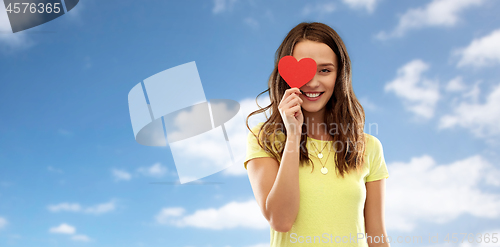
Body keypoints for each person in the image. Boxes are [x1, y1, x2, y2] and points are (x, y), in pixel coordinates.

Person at [243, 22, 390, 247]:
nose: (312, 82)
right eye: (304, 70)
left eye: (324, 70)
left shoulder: (368, 146)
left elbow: (376, 236)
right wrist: (293, 135)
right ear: (285, 75)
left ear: (340, 75)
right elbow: (280, 220)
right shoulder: (264, 140)